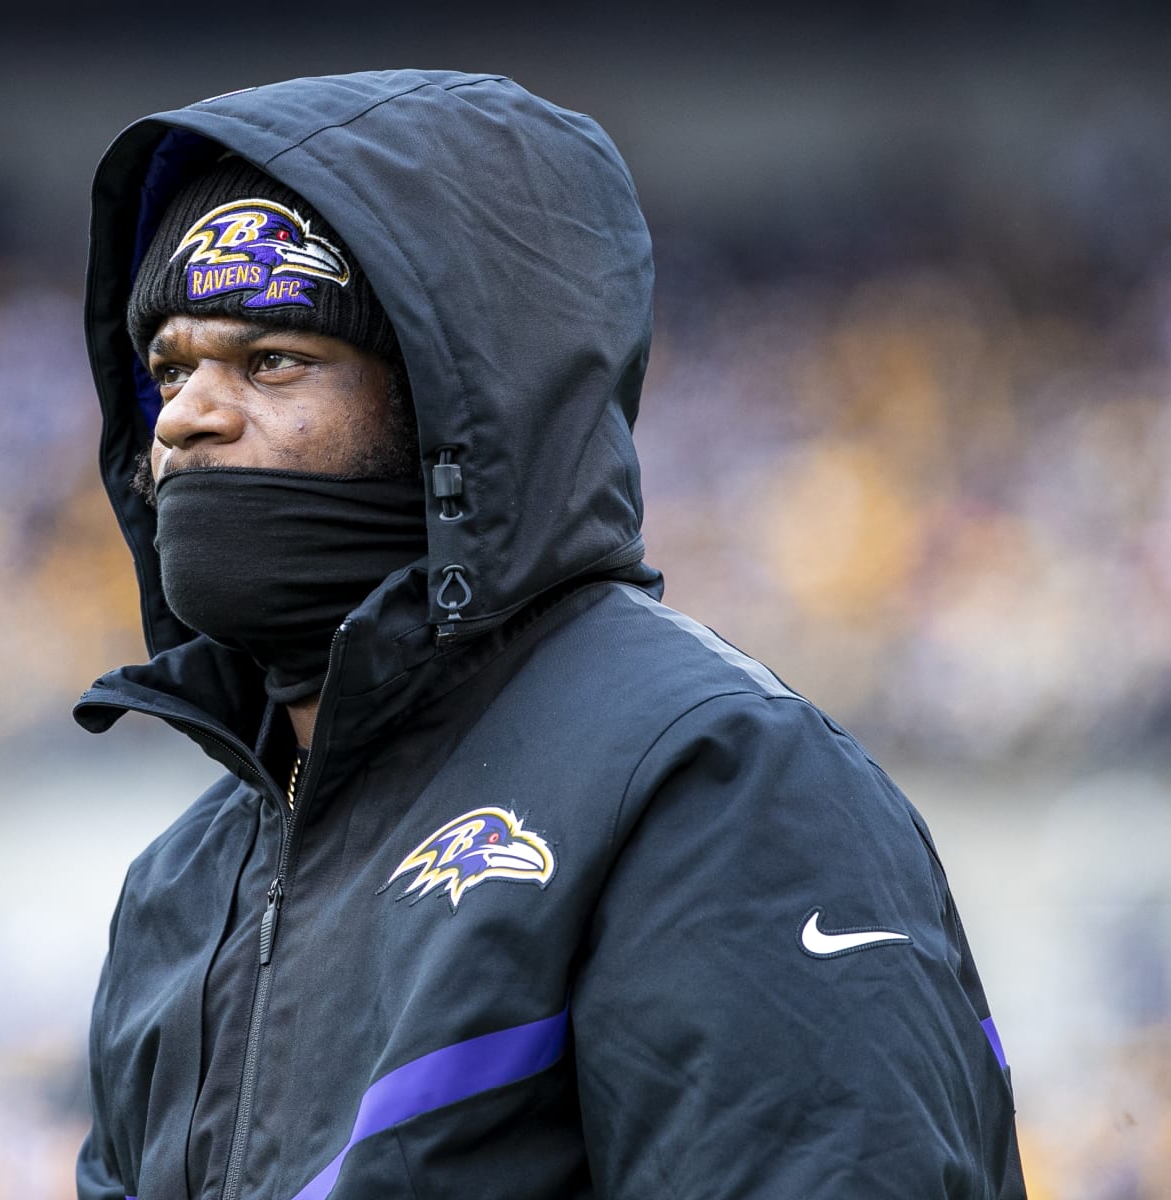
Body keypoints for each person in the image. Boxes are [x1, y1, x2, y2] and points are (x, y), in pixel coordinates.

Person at [73, 69, 1026, 1200]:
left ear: (453, 400)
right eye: (171, 368)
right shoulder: (183, 880)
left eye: (271, 359)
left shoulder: (706, 779)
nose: (184, 414)